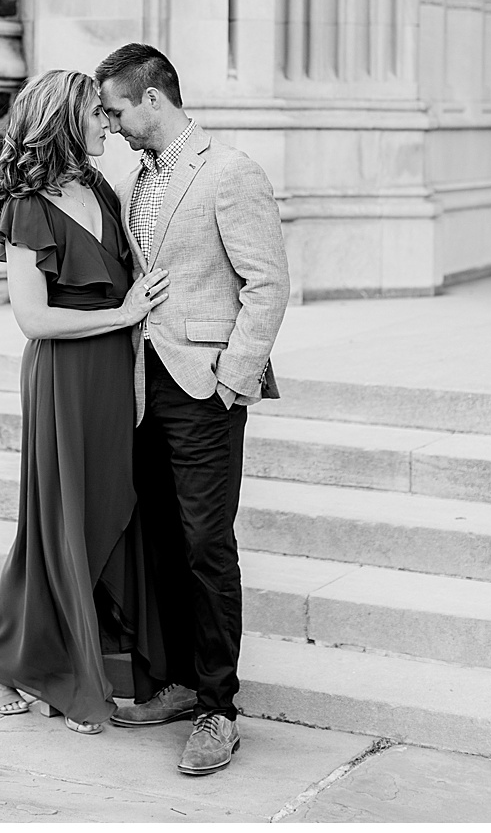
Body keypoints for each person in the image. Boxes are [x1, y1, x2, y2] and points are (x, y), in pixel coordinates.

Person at [94, 43, 289, 776]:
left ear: (152, 97)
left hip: (204, 386)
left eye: (116, 110)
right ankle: (177, 683)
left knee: (207, 545)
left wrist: (232, 381)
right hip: (142, 386)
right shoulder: (131, 181)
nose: (110, 125)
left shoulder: (229, 172)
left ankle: (218, 709)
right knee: (162, 541)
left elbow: (267, 284)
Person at [0, 70, 170, 734]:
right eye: (97, 115)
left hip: (113, 376)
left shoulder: (101, 189)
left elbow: (134, 291)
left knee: (108, 513)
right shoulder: (28, 206)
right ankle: (10, 661)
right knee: (61, 524)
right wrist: (123, 316)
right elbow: (33, 319)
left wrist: (137, 370)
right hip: (63, 378)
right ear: (64, 120)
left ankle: (38, 657)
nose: (109, 125)